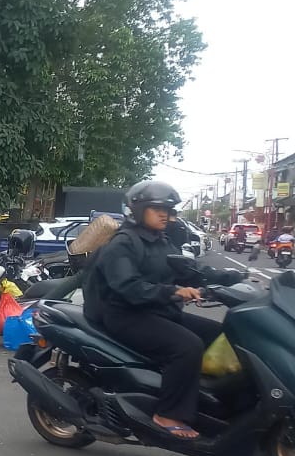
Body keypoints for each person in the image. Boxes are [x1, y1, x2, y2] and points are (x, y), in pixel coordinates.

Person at [83, 180, 244, 440]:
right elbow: (129, 288)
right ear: (138, 209)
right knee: (187, 346)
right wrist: (173, 292)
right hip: (125, 315)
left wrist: (234, 277)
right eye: (157, 208)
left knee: (222, 334)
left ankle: (213, 403)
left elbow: (189, 270)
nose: (164, 214)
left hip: (155, 311)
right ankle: (168, 412)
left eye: (167, 210)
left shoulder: (161, 241)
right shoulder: (123, 243)